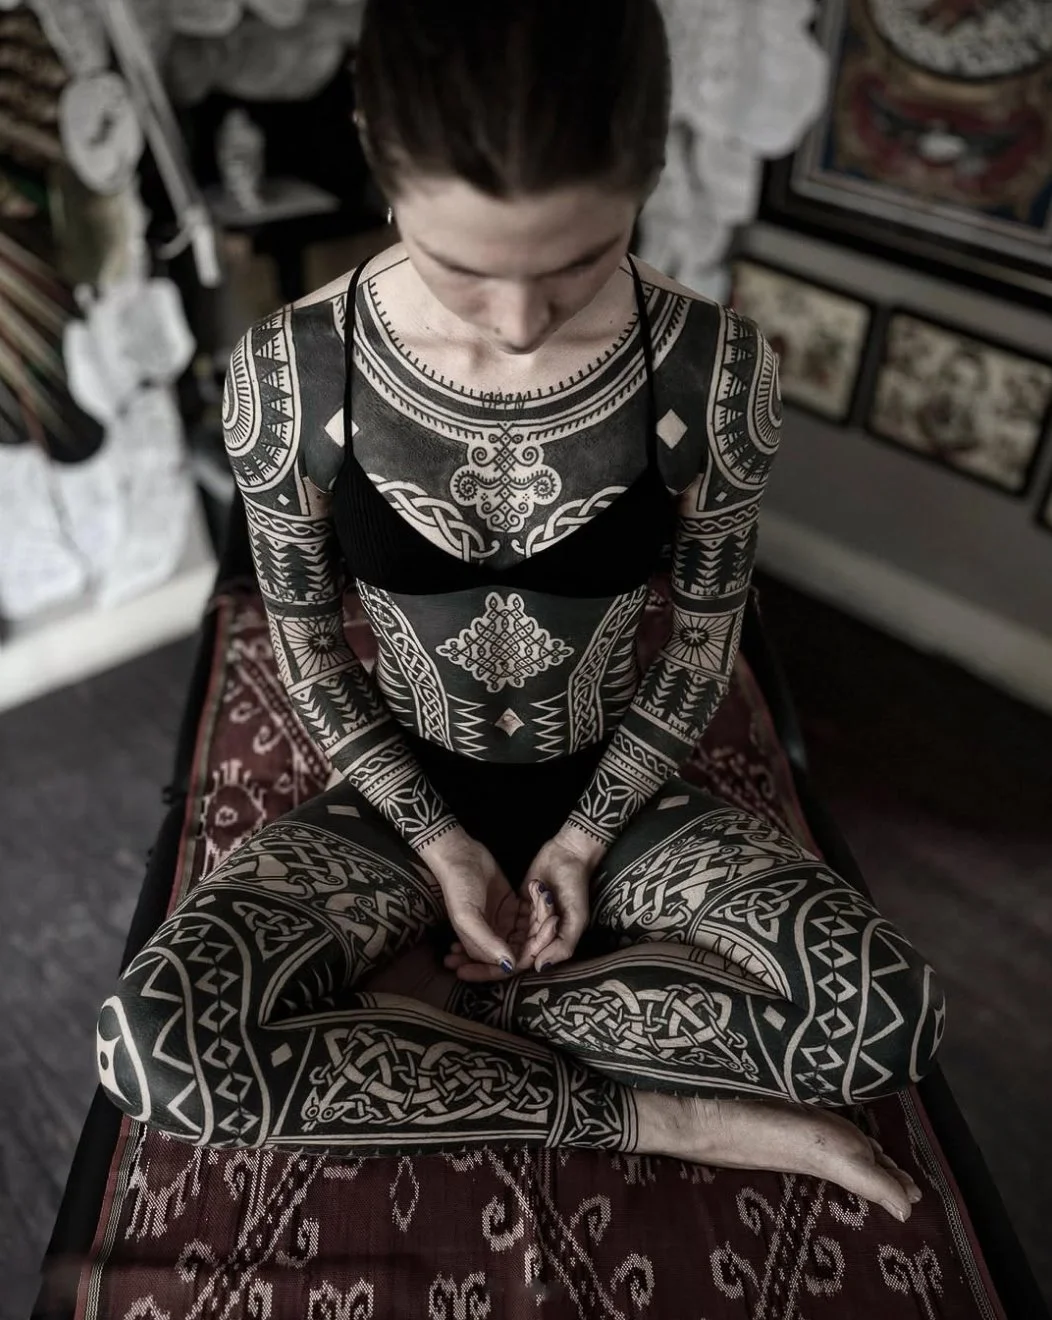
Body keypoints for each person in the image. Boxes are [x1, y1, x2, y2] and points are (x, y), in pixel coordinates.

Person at [96, 0, 943, 1224]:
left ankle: (443, 1014)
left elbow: (700, 652)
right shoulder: (289, 375)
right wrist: (440, 843)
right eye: (464, 269)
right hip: (397, 808)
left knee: (883, 1012)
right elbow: (311, 661)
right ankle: (666, 1116)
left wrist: (584, 839)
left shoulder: (712, 373)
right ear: (377, 156)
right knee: (154, 1042)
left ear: (644, 176)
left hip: (620, 799)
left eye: (576, 261)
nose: (517, 324)